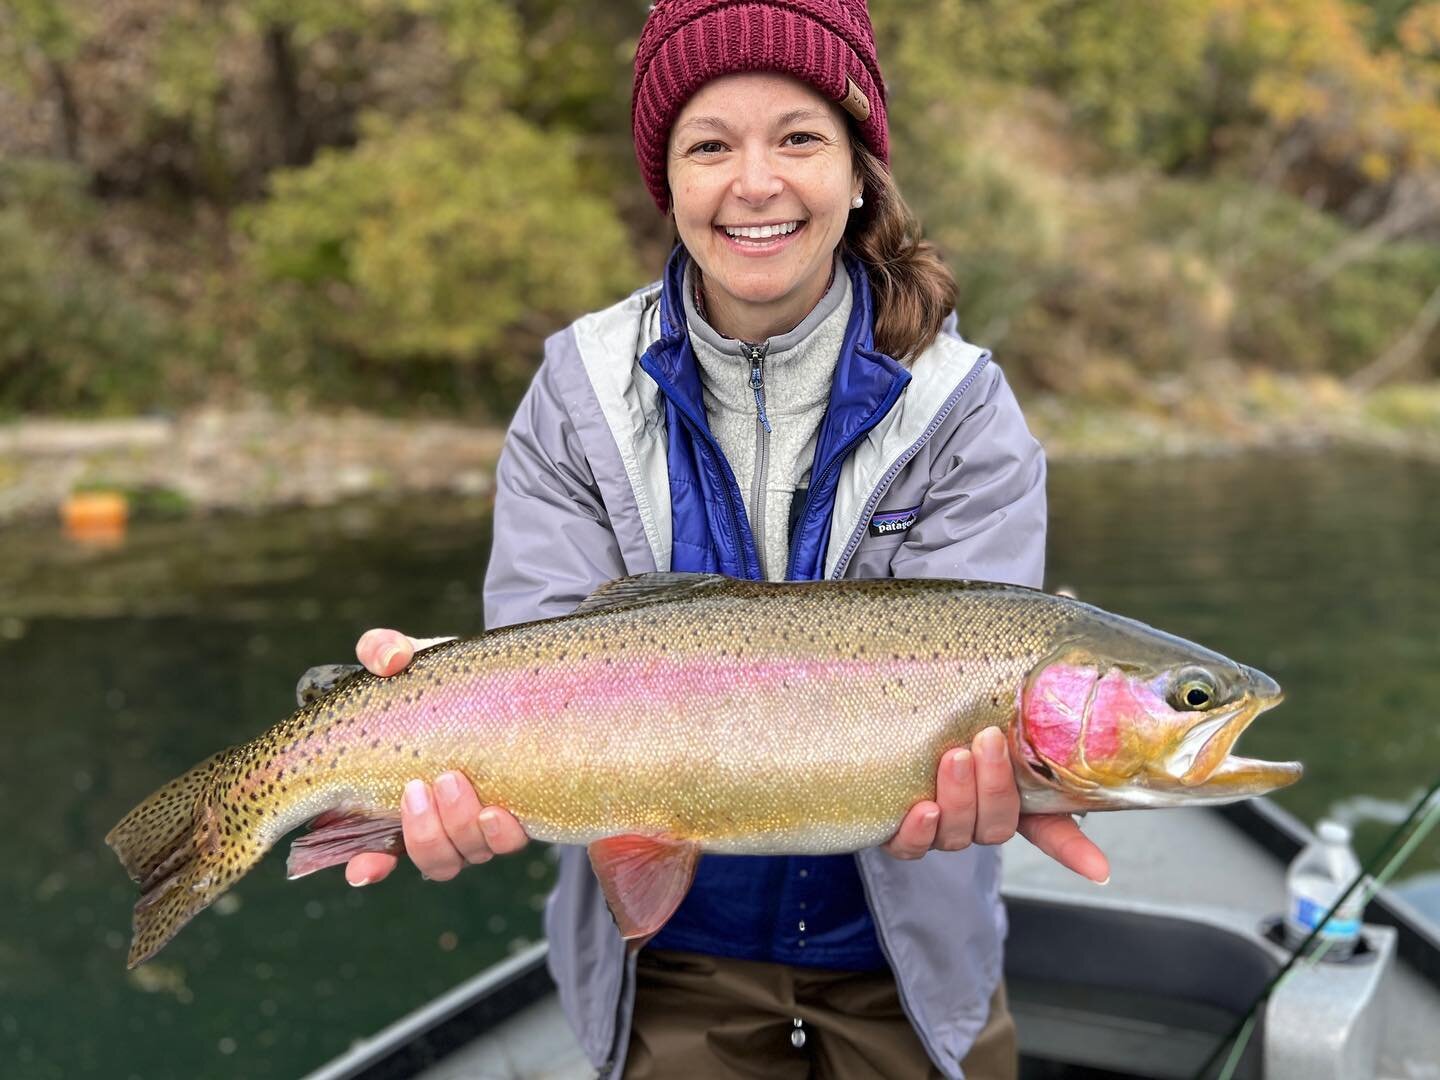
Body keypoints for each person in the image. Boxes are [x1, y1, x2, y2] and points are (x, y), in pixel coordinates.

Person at [342, 2, 1109, 1076]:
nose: (756, 182)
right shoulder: (575, 393)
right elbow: (537, 661)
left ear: (859, 174)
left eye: (799, 138)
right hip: (666, 964)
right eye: (711, 145)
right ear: (671, 185)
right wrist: (445, 722)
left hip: (913, 962)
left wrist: (1027, 775)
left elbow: (985, 663)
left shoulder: (966, 410)